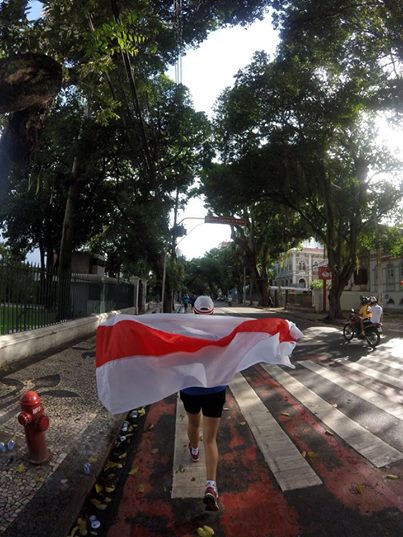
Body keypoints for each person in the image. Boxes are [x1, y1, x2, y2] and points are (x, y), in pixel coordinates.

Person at [179, 295, 225, 511]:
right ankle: (211, 486)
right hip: (215, 390)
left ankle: (194, 450)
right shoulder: (222, 332)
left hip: (190, 389)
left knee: (193, 423)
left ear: (194, 311)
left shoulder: (184, 331)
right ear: (213, 312)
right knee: (211, 439)